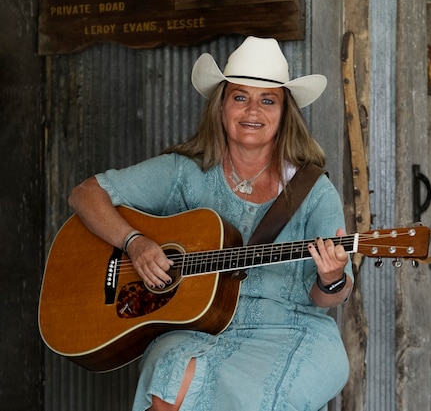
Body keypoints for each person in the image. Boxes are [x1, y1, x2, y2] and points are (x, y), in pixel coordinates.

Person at [68, 36, 353, 411]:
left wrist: (332, 276)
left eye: (268, 100)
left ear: (284, 115)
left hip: (290, 328)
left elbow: (329, 297)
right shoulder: (184, 172)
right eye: (240, 97)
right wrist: (134, 242)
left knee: (253, 399)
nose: (253, 110)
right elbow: (85, 194)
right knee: (169, 390)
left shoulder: (314, 191)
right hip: (197, 327)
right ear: (220, 107)